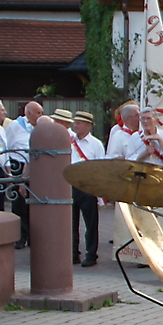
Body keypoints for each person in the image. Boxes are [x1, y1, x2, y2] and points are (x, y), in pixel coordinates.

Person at [68, 111, 104, 266]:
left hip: (88, 186)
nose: (75, 126)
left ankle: (91, 254)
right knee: (71, 222)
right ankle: (73, 253)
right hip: (71, 184)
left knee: (90, 223)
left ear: (88, 126)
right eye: (75, 123)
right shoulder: (69, 141)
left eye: (79, 123)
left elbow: (101, 167)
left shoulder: (96, 144)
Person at [6, 101, 43, 247]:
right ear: (28, 113)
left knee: (34, 202)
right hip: (18, 164)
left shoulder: (40, 126)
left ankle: (33, 236)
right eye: (38, 113)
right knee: (19, 202)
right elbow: (8, 146)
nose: (40, 115)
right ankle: (20, 236)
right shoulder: (15, 126)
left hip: (35, 166)